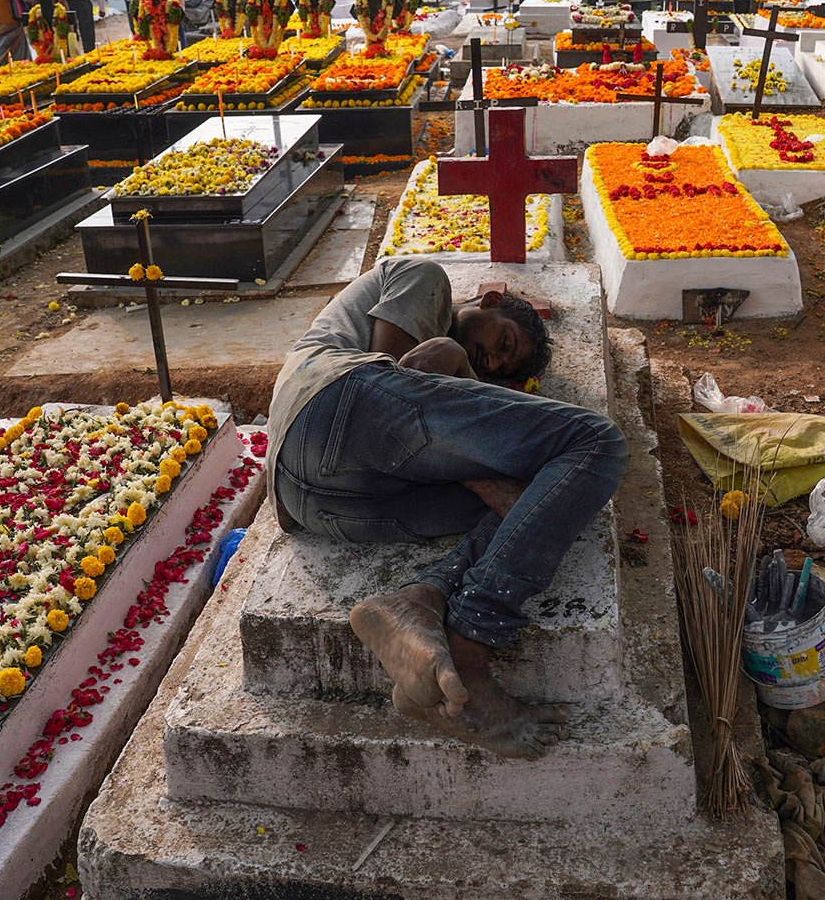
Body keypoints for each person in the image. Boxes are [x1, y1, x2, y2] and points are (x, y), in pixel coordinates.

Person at [268, 257, 626, 759]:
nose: (495, 362)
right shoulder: (421, 277)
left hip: (318, 505)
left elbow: (407, 423)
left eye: (502, 369)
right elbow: (393, 379)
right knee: (597, 441)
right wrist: (478, 472)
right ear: (491, 302)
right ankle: (471, 650)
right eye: (504, 343)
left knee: (544, 498)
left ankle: (420, 599)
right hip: (332, 400)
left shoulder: (457, 369)